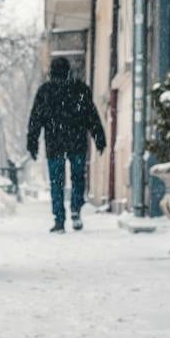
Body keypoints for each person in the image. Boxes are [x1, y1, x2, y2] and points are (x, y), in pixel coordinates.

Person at [26, 57, 107, 233]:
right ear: (68, 70)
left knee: (57, 182)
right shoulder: (80, 90)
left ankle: (59, 220)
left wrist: (32, 142)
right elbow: (91, 116)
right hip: (76, 141)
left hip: (54, 143)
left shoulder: (45, 91)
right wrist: (99, 137)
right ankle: (76, 207)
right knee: (78, 178)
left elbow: (35, 120)